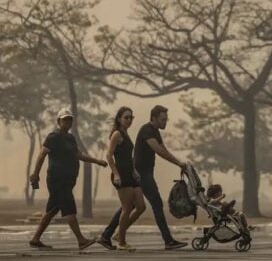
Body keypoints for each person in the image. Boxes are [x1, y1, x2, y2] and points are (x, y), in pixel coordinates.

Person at [98, 105, 188, 250]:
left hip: (137, 173)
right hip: (141, 173)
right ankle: (168, 241)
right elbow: (159, 151)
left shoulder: (153, 131)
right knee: (155, 204)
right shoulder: (147, 130)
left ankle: (109, 234)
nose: (165, 122)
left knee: (132, 206)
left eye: (166, 119)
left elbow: (163, 148)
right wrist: (178, 163)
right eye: (163, 119)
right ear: (154, 118)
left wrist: (180, 163)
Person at [28, 107, 108, 250]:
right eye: (65, 119)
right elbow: (42, 155)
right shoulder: (53, 137)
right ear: (59, 121)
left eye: (70, 119)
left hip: (67, 181)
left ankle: (35, 239)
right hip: (58, 180)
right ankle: (81, 240)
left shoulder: (70, 138)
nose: (68, 122)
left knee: (51, 211)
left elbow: (79, 155)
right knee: (70, 209)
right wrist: (36, 173)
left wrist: (97, 161)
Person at [98, 107, 146, 251]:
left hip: (130, 174)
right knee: (126, 208)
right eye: (126, 117)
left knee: (141, 206)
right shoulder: (117, 134)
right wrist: (116, 174)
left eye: (131, 117)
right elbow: (109, 155)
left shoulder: (126, 133)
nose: (129, 120)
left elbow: (127, 156)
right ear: (119, 119)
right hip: (121, 174)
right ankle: (122, 242)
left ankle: (119, 234)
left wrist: (135, 171)